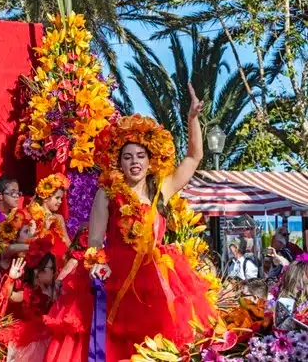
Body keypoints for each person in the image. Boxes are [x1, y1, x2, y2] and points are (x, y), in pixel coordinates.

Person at [46, 84, 216, 362]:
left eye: (140, 156)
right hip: (115, 281)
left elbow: (194, 157)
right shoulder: (107, 193)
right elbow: (95, 242)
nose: (134, 162)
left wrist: (192, 119)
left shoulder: (162, 188)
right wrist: (96, 266)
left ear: (150, 162)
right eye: (128, 157)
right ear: (119, 163)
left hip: (156, 284)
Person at [0, 241, 71, 362]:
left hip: (53, 341)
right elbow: (11, 296)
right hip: (30, 342)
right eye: (49, 269)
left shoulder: (58, 289)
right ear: (37, 271)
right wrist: (11, 279)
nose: (53, 272)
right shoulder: (29, 292)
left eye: (53, 268)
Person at [27, 174, 71, 267]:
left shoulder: (59, 218)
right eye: (57, 198)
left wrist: (73, 254)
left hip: (60, 259)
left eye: (61, 199)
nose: (60, 202)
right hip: (43, 262)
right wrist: (45, 228)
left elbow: (66, 240)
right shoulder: (33, 217)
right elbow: (31, 243)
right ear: (46, 197)